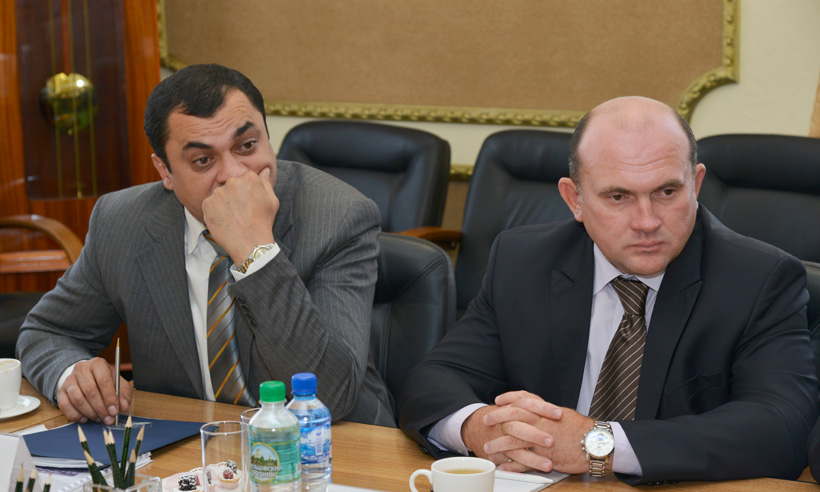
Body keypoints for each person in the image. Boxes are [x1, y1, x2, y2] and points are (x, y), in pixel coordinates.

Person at [397, 96, 818, 483]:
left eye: (667, 192)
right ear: (574, 199)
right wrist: (479, 428)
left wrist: (598, 445)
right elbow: (434, 379)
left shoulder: (759, 279)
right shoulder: (524, 260)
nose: (647, 221)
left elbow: (782, 427)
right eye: (618, 196)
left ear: (696, 184)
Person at [17, 64, 394, 427]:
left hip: (332, 448)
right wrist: (73, 375)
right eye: (202, 160)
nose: (233, 173)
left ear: (267, 137)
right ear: (165, 171)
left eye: (247, 145)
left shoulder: (339, 217)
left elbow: (329, 395)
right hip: (187, 449)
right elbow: (48, 333)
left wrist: (256, 253)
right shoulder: (122, 222)